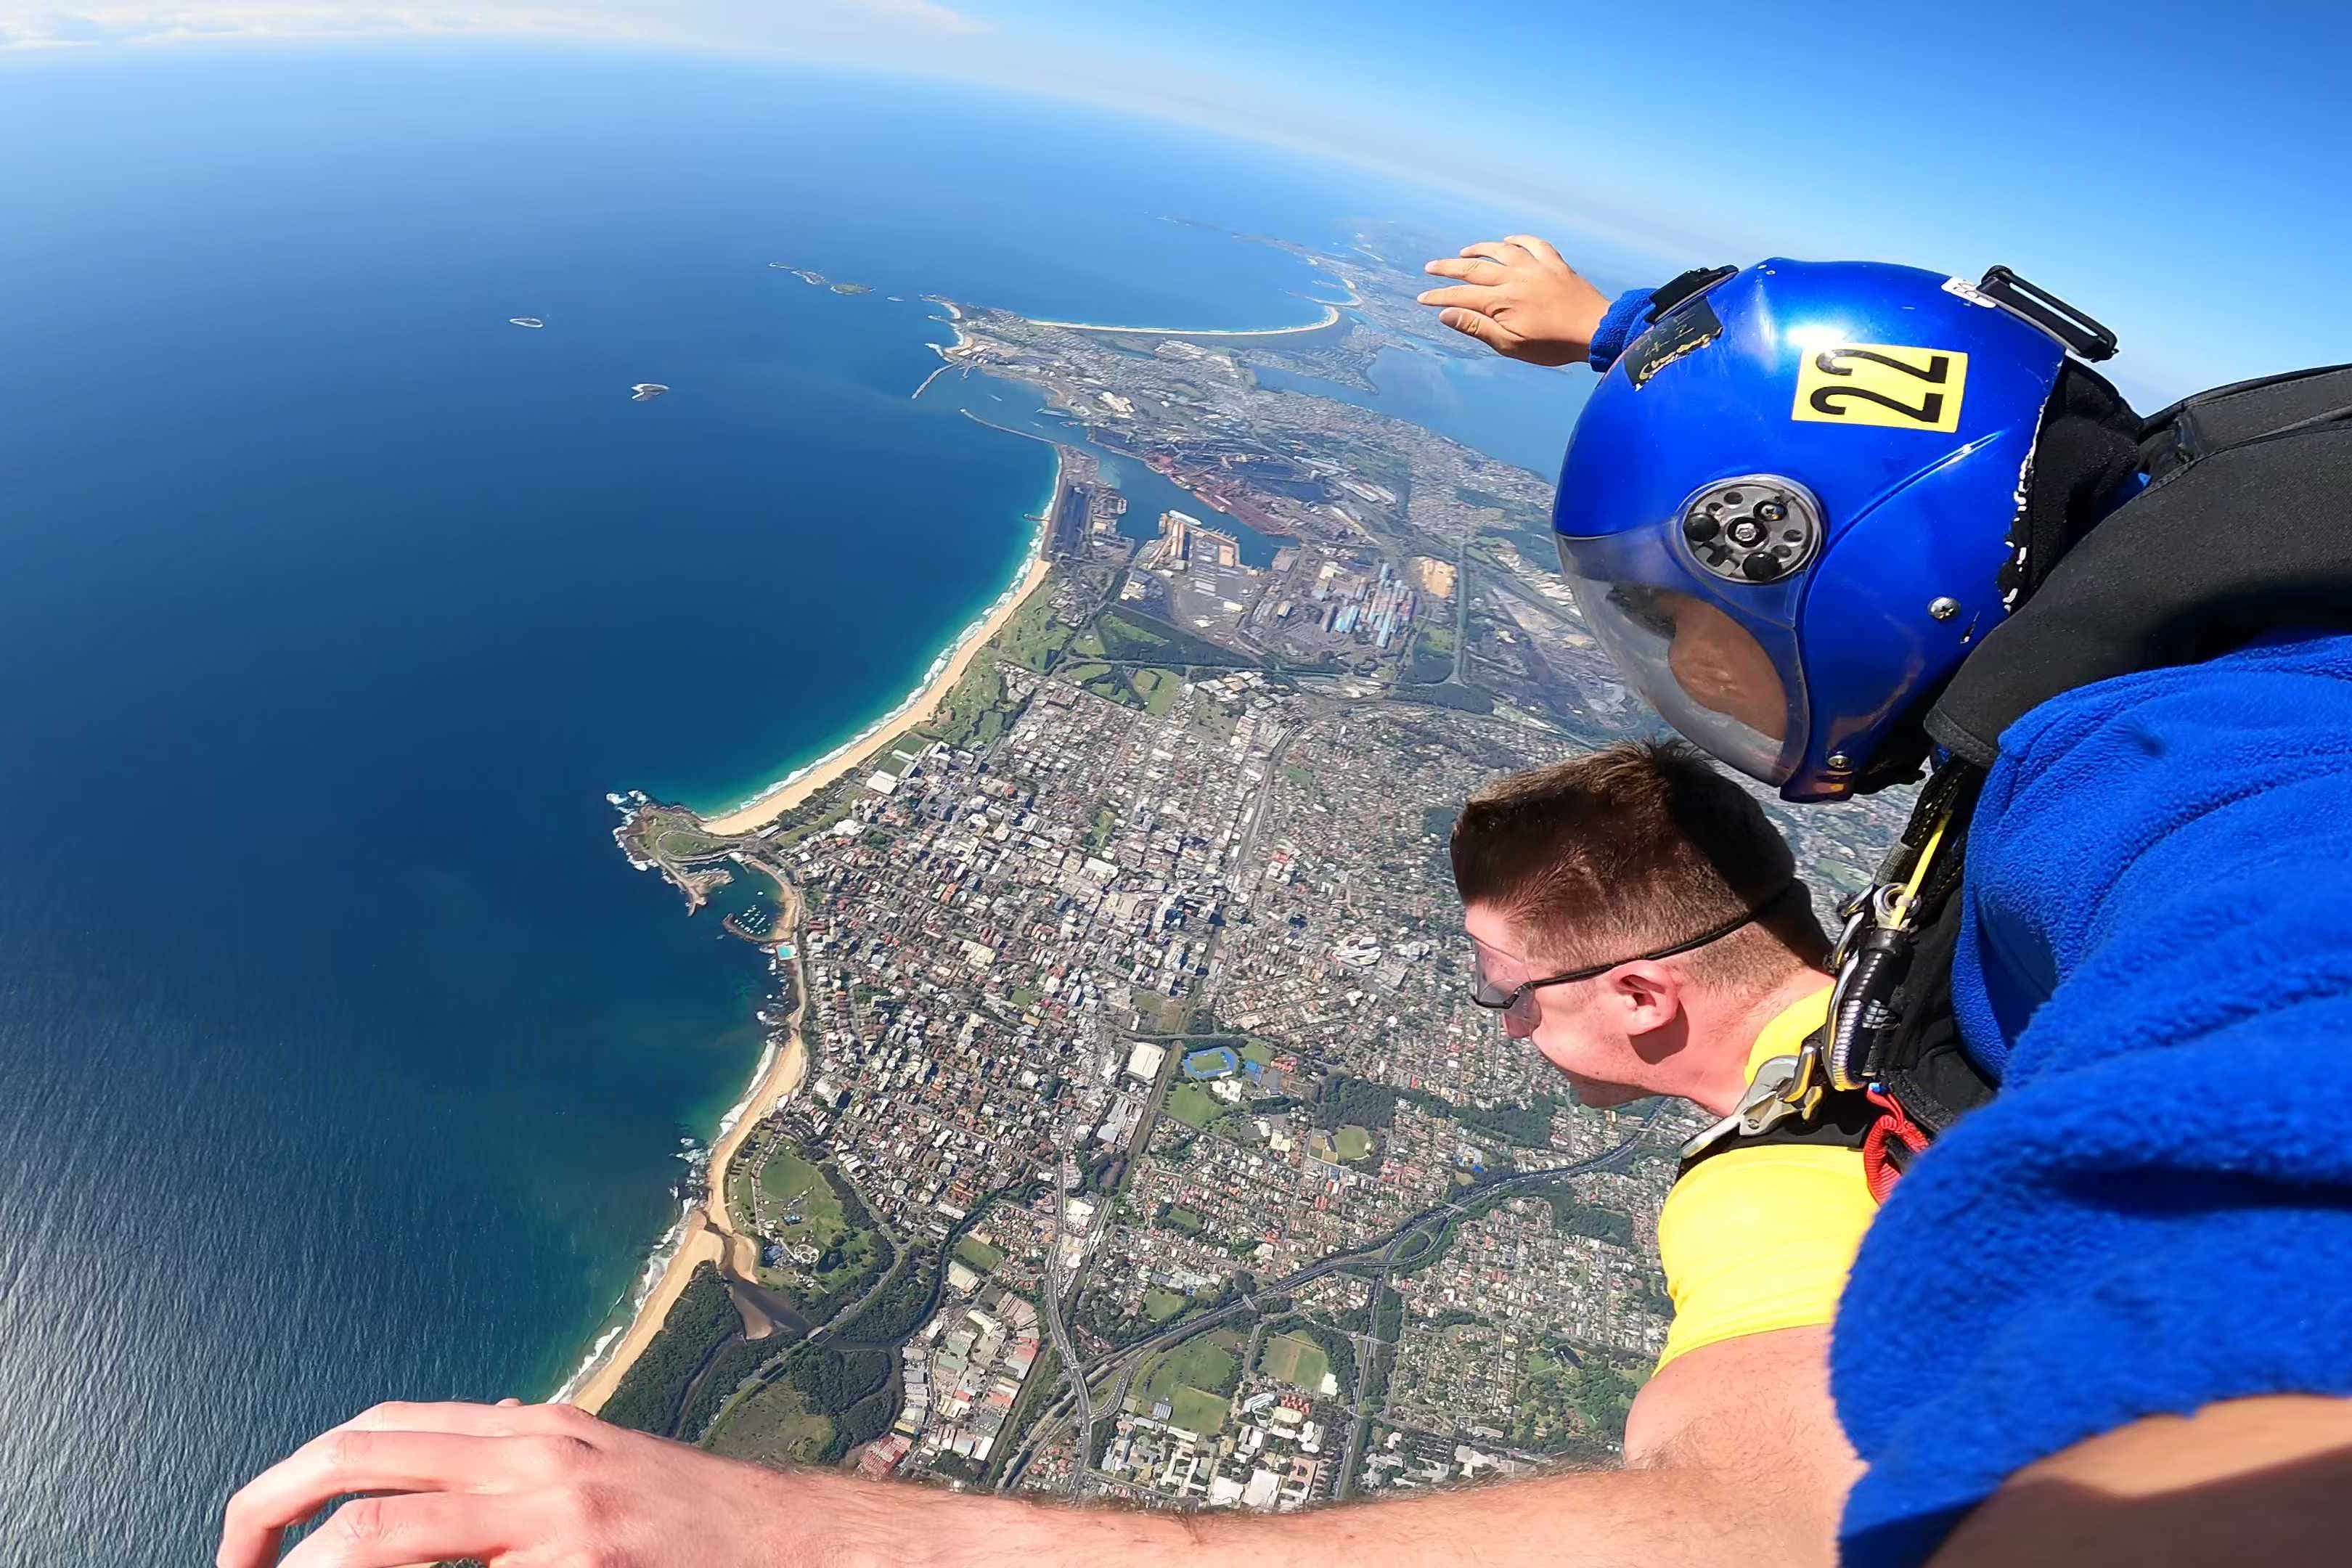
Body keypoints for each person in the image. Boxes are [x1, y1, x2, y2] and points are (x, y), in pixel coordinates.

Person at [218, 744, 1872, 1568]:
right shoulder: (1910, 985)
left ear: (1646, 993)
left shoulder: (1787, 1179)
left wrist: (796, 1531)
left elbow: (1763, 1525)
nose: (1503, 1035)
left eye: (1514, 1002)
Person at [1422, 237, 2352, 1564]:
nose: (1684, 657)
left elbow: (2299, 1068)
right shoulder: (2195, 568)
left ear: (1831, 564)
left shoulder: (2185, 758)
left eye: (1683, 613)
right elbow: (1911, 398)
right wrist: (1621, 333)